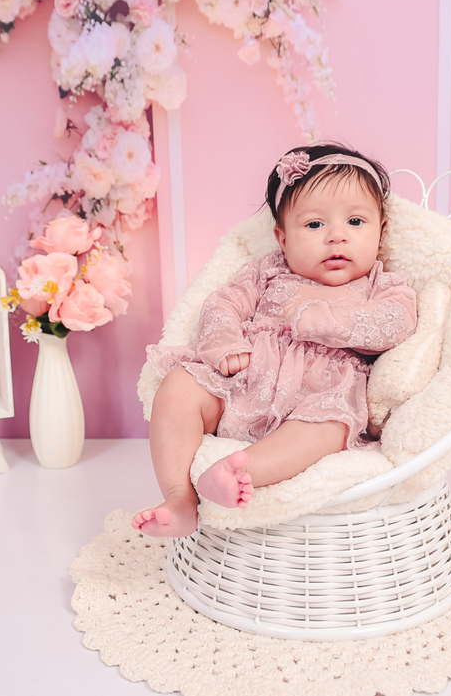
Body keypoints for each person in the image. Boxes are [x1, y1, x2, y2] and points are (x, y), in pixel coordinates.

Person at [133, 143, 418, 537]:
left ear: (381, 232)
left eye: (355, 222)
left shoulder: (382, 286)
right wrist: (225, 343)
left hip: (320, 396)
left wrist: (325, 319)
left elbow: (396, 325)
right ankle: (179, 498)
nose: (336, 236)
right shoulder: (267, 272)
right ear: (282, 239)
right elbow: (222, 303)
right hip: (246, 378)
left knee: (329, 427)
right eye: (314, 225)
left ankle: (238, 470)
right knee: (177, 386)